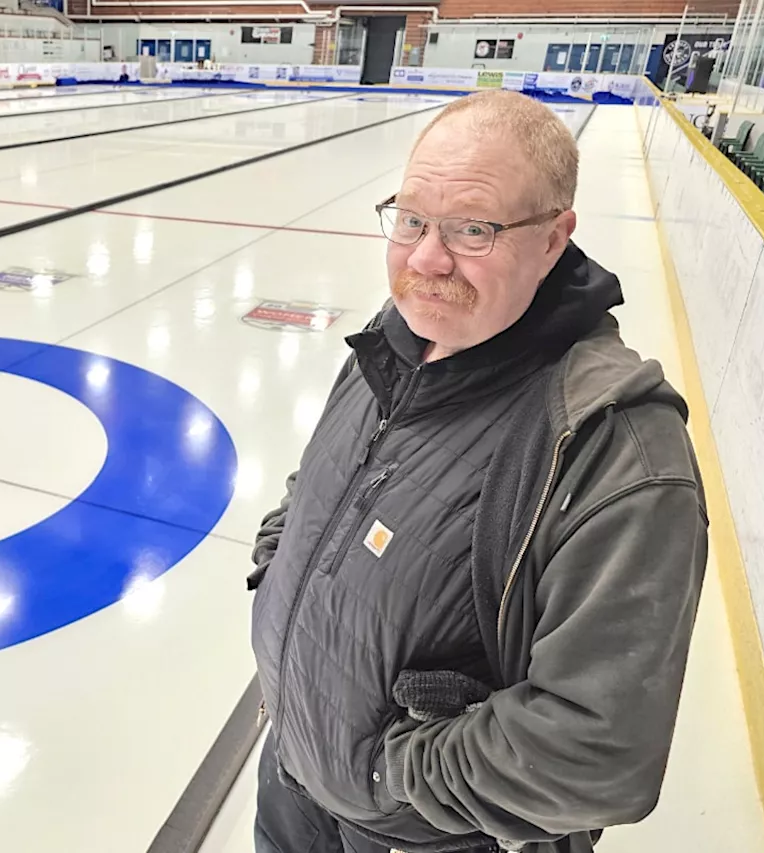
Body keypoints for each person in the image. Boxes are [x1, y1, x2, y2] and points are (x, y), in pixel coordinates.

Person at [247, 89, 708, 853]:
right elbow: (321, 486)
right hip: (295, 783)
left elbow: (593, 754)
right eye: (412, 220)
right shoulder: (391, 341)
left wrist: (390, 775)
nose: (427, 257)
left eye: (473, 228)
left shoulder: (610, 448)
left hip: (419, 837)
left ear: (555, 239)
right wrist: (278, 574)